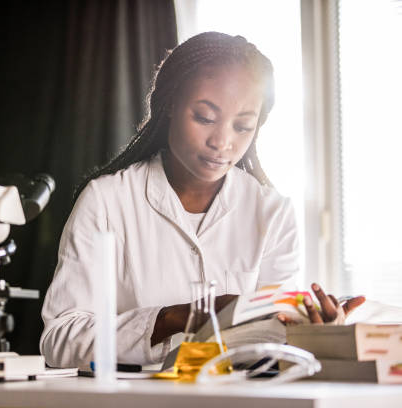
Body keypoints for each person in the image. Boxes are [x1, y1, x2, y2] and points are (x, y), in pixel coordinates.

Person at [40, 32, 364, 369]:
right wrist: (177, 318)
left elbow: (275, 343)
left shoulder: (272, 212)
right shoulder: (107, 200)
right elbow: (61, 339)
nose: (222, 141)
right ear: (169, 105)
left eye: (243, 126)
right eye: (205, 118)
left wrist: (318, 336)